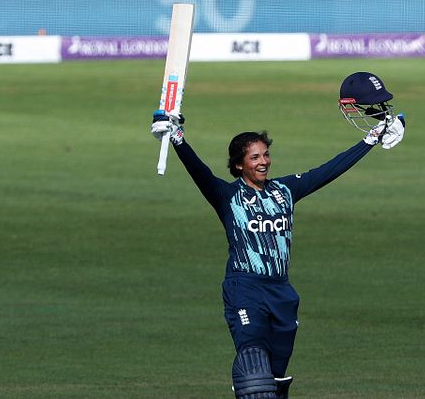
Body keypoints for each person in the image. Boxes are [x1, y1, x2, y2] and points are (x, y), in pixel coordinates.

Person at [150, 72, 405, 398]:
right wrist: (177, 137)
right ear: (239, 165)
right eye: (254, 157)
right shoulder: (227, 197)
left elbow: (328, 171)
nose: (263, 162)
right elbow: (200, 173)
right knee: (254, 366)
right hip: (245, 289)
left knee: (276, 379)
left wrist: (369, 141)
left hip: (282, 294)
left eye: (265, 155)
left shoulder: (285, 190)